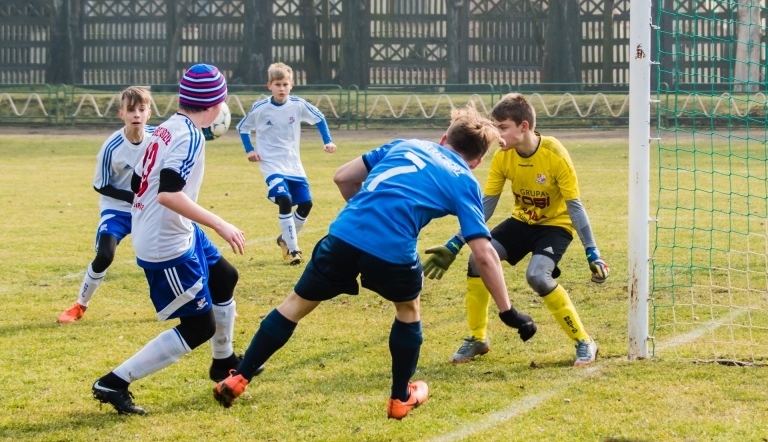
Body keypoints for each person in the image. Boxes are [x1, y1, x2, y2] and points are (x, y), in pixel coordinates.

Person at [213, 106, 537, 420]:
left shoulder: (405, 145)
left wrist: (366, 217)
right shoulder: (465, 180)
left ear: (443, 138)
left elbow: (342, 178)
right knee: (408, 311)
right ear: (477, 161)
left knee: (295, 305)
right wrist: (508, 311)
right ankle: (399, 397)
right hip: (393, 251)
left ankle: (238, 378)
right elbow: (483, 253)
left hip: (343, 234)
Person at [92, 64, 250, 415]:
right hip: (166, 243)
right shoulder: (190, 136)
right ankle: (114, 382)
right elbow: (168, 194)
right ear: (215, 106)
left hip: (177, 229)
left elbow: (137, 181)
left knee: (225, 277)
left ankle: (223, 361)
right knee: (198, 326)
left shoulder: (165, 128)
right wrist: (221, 223)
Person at [422, 93, 609, 367]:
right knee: (477, 259)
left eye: (503, 127)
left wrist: (593, 252)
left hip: (554, 228)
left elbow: (575, 206)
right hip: (521, 223)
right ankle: (477, 338)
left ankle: (584, 341)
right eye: (494, 127)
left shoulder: (555, 153)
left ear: (524, 126)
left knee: (538, 277)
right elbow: (485, 206)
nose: (497, 135)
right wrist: (456, 242)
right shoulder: (503, 156)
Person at [58, 86, 154, 324]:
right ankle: (80, 305)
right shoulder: (111, 148)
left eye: (141, 109)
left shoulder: (157, 139)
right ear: (121, 114)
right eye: (130, 110)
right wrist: (132, 198)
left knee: (169, 253)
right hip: (116, 209)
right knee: (105, 255)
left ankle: (198, 302)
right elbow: (100, 185)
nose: (136, 115)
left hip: (148, 208)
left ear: (149, 113)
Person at [237, 62, 337, 266]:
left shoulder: (298, 104)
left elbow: (319, 118)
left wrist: (327, 141)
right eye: (277, 84)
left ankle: (284, 239)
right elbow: (243, 127)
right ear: (269, 86)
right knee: (284, 199)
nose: (282, 89)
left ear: (291, 85)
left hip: (293, 164)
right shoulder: (261, 108)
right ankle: (294, 250)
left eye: (285, 84)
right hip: (271, 164)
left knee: (306, 204)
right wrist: (249, 150)